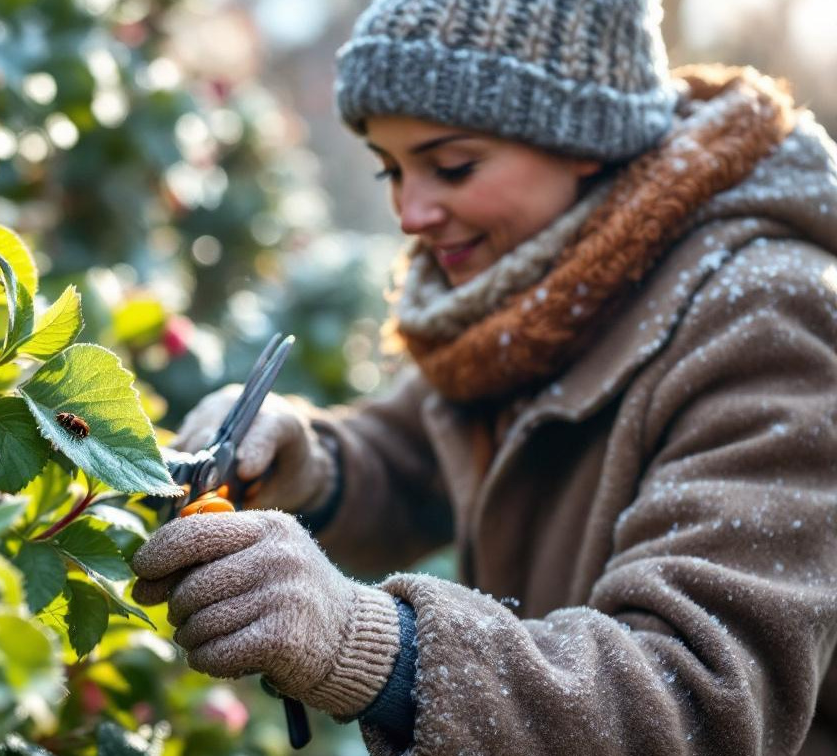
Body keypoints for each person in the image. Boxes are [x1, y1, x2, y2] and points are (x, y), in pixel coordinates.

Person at [128, 0, 837, 753]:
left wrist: (373, 648)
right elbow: (423, 449)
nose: (410, 211)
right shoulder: (544, 284)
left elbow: (697, 696)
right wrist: (308, 461)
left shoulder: (772, 319)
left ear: (585, 139)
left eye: (452, 165)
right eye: (390, 168)